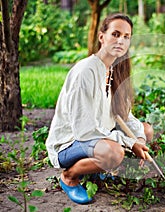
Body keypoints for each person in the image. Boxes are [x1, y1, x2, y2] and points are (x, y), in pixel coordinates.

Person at [46, 13, 153, 204]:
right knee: (115, 153)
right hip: (71, 142)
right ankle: (69, 177)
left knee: (145, 130)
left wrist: (139, 139)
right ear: (102, 37)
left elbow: (124, 116)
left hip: (96, 136)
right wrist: (129, 143)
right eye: (116, 34)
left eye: (126, 37)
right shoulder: (86, 71)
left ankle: (99, 171)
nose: (121, 40)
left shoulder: (113, 70)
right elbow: (85, 131)